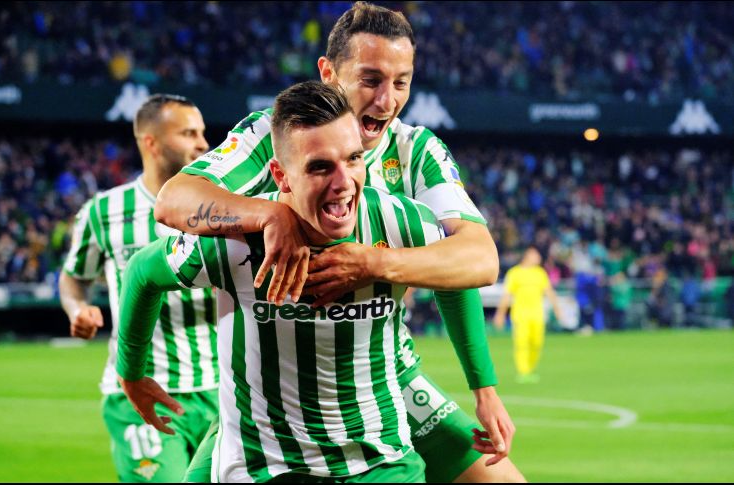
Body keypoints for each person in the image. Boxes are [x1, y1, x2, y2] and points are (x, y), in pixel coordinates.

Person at [154, 3, 522, 482]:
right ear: (328, 73)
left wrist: (483, 385)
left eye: (401, 82)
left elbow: (472, 259)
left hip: (385, 380)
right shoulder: (273, 134)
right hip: (270, 389)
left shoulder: (416, 152)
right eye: (370, 80)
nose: (387, 101)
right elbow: (173, 200)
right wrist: (269, 213)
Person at [117, 81, 444, 482]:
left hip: (382, 464)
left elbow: (473, 263)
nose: (343, 182)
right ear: (281, 175)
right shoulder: (233, 246)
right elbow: (140, 272)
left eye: (354, 158)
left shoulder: (396, 221)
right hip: (268, 469)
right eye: (320, 166)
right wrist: (131, 372)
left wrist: (379, 263)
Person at [59, 94, 218, 482]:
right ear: (151, 142)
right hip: (140, 391)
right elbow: (73, 276)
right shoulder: (105, 210)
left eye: (201, 132)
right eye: (188, 133)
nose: (203, 143)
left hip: (222, 391)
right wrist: (77, 308)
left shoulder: (223, 205)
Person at [494, 247, 563, 383]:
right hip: (520, 315)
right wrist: (500, 314)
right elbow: (507, 295)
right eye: (535, 255)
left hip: (537, 315)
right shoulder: (515, 273)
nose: (538, 258)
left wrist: (557, 309)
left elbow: (549, 292)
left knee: (537, 343)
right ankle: (523, 372)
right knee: (522, 343)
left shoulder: (540, 273)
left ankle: (530, 369)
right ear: (527, 256)